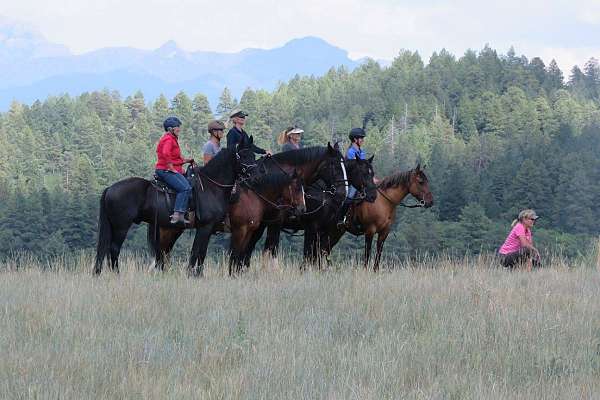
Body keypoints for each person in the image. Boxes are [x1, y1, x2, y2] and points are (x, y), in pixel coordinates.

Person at [155, 116, 194, 225]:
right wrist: (171, 167)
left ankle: (182, 214)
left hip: (169, 168)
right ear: (170, 129)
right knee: (185, 188)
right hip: (165, 170)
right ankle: (177, 214)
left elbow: (174, 157)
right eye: (177, 127)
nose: (179, 129)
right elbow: (166, 153)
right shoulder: (168, 139)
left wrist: (186, 160)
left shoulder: (172, 139)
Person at [337, 127, 367, 227]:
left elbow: (363, 168)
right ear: (355, 139)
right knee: (350, 195)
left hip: (359, 180)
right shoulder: (351, 152)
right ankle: (341, 218)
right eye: (361, 138)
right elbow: (355, 170)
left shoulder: (361, 151)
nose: (363, 140)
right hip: (351, 180)